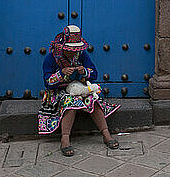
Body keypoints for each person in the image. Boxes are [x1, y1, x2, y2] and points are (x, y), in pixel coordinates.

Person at [37, 25, 120, 156]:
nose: (74, 52)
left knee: (92, 99)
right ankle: (65, 139)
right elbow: (48, 82)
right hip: (59, 92)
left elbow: (94, 73)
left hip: (79, 88)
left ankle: (106, 134)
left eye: (76, 49)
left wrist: (85, 71)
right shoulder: (51, 58)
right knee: (70, 102)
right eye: (71, 49)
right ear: (63, 47)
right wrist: (61, 73)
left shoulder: (81, 55)